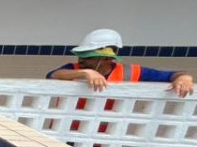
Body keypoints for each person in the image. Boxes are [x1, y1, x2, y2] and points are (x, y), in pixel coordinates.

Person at [47, 29, 193, 97]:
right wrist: (86, 73)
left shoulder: (132, 72)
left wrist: (184, 78)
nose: (82, 60)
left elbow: (171, 75)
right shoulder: (74, 69)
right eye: (82, 56)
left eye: (89, 57)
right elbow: (52, 75)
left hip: (108, 133)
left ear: (107, 58)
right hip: (69, 130)